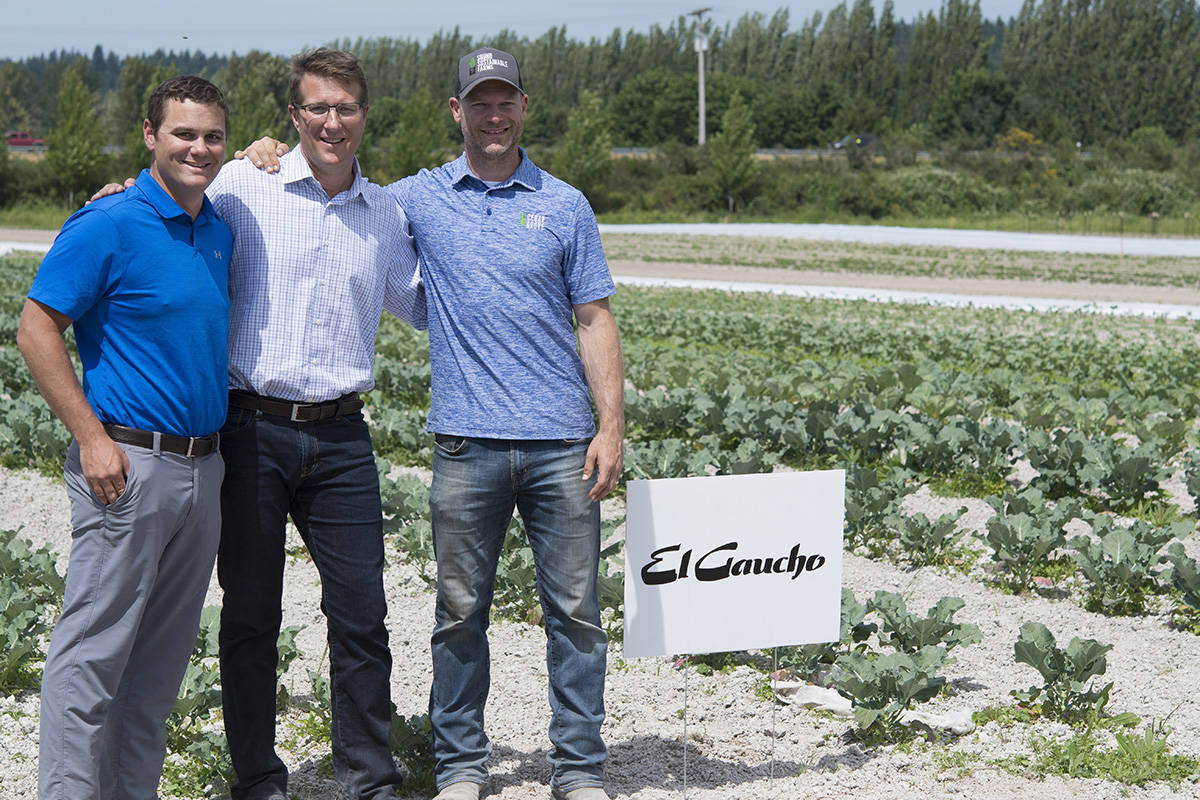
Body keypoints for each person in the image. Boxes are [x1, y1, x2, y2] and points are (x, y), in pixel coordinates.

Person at [241, 47, 624, 800]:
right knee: (458, 614)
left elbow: (595, 317)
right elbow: (332, 175)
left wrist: (609, 427)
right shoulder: (414, 198)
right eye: (479, 102)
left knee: (577, 613)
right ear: (457, 111)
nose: (493, 114)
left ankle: (579, 768)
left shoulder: (566, 204)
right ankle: (460, 766)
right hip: (465, 441)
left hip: (561, 443)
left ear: (523, 108)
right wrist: (265, 151)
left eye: (505, 101)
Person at [90, 48, 426, 800]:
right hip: (250, 431)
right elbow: (164, 201)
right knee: (250, 617)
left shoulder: (386, 214)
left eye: (346, 108)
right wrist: (114, 195)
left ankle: (369, 778)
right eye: (318, 108)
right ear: (294, 116)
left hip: (342, 437)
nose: (333, 122)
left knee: (362, 614)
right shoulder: (245, 183)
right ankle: (258, 779)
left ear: (365, 115)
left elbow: (426, 306)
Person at [18, 76, 232, 800]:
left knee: (158, 669)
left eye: (212, 136)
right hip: (128, 465)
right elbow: (36, 330)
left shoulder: (218, 229)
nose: (199, 148)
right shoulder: (107, 222)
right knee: (91, 658)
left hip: (203, 469)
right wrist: (91, 438)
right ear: (150, 136)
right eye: (183, 133)